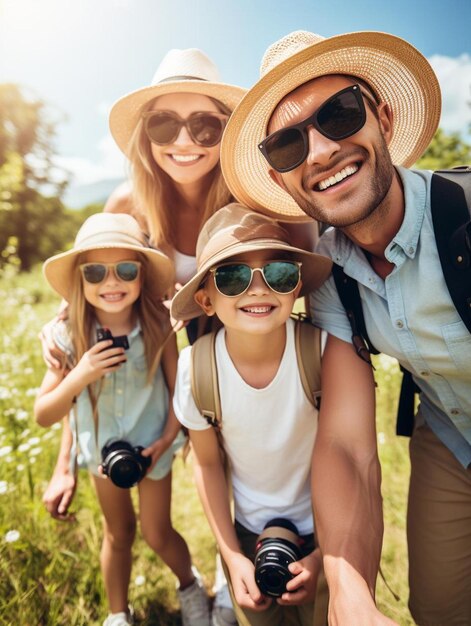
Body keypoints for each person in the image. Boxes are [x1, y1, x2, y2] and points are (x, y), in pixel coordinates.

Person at [41, 46, 317, 626]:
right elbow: (91, 300)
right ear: (145, 135)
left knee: (245, 464)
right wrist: (58, 332)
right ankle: (222, 571)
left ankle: (233, 566)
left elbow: (308, 258)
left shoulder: (253, 193)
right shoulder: (130, 204)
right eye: (165, 122)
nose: (183, 140)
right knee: (201, 461)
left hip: (252, 338)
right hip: (177, 354)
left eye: (205, 124)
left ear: (227, 131)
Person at [220, 28, 471, 626]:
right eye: (286, 146)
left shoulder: (463, 217)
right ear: (280, 177)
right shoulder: (331, 274)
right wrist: (350, 591)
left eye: (339, 113)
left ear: (382, 116)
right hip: (451, 438)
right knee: (438, 610)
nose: (318, 152)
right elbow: (346, 446)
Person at [34, 213, 211, 626]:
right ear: (79, 279)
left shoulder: (158, 327)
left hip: (153, 449)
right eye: (95, 272)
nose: (111, 283)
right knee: (118, 533)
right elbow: (44, 414)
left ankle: (190, 585)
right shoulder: (67, 337)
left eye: (125, 270)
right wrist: (81, 374)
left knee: (157, 531)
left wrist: (167, 440)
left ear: (141, 274)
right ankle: (118, 614)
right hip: (101, 454)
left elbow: (177, 395)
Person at [170, 202, 342, 626]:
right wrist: (231, 556)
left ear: (296, 286)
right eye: (232, 276)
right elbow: (208, 466)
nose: (259, 289)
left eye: (279, 272)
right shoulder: (197, 368)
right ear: (205, 300)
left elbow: (352, 459)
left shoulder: (321, 352)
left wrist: (327, 553)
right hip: (246, 535)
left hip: (329, 530)